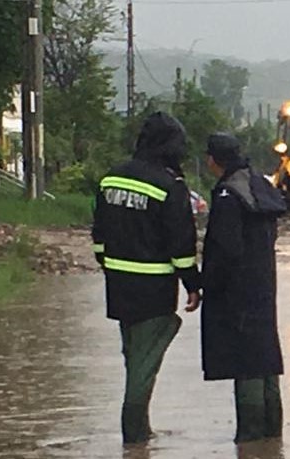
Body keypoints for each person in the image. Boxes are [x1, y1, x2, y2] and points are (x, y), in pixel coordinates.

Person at [91, 112, 201, 445]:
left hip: (118, 286)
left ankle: (139, 434)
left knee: (133, 355)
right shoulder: (170, 186)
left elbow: (98, 234)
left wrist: (108, 262)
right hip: (154, 289)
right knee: (143, 366)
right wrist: (192, 284)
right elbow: (181, 244)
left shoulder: (111, 179)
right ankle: (135, 437)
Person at [198, 133, 288, 443]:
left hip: (236, 294)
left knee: (247, 363)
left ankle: (250, 439)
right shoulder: (259, 185)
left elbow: (224, 250)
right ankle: (272, 441)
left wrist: (203, 284)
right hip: (264, 287)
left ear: (213, 160)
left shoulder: (228, 195)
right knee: (265, 362)